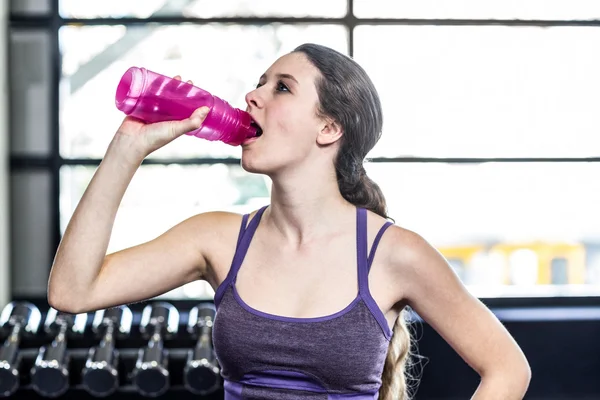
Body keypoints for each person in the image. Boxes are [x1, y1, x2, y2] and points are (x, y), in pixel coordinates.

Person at [48, 43, 531, 399]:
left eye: (280, 87)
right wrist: (127, 149)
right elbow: (72, 292)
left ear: (329, 128)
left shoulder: (394, 253)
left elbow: (507, 368)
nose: (252, 96)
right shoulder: (216, 238)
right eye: (260, 82)